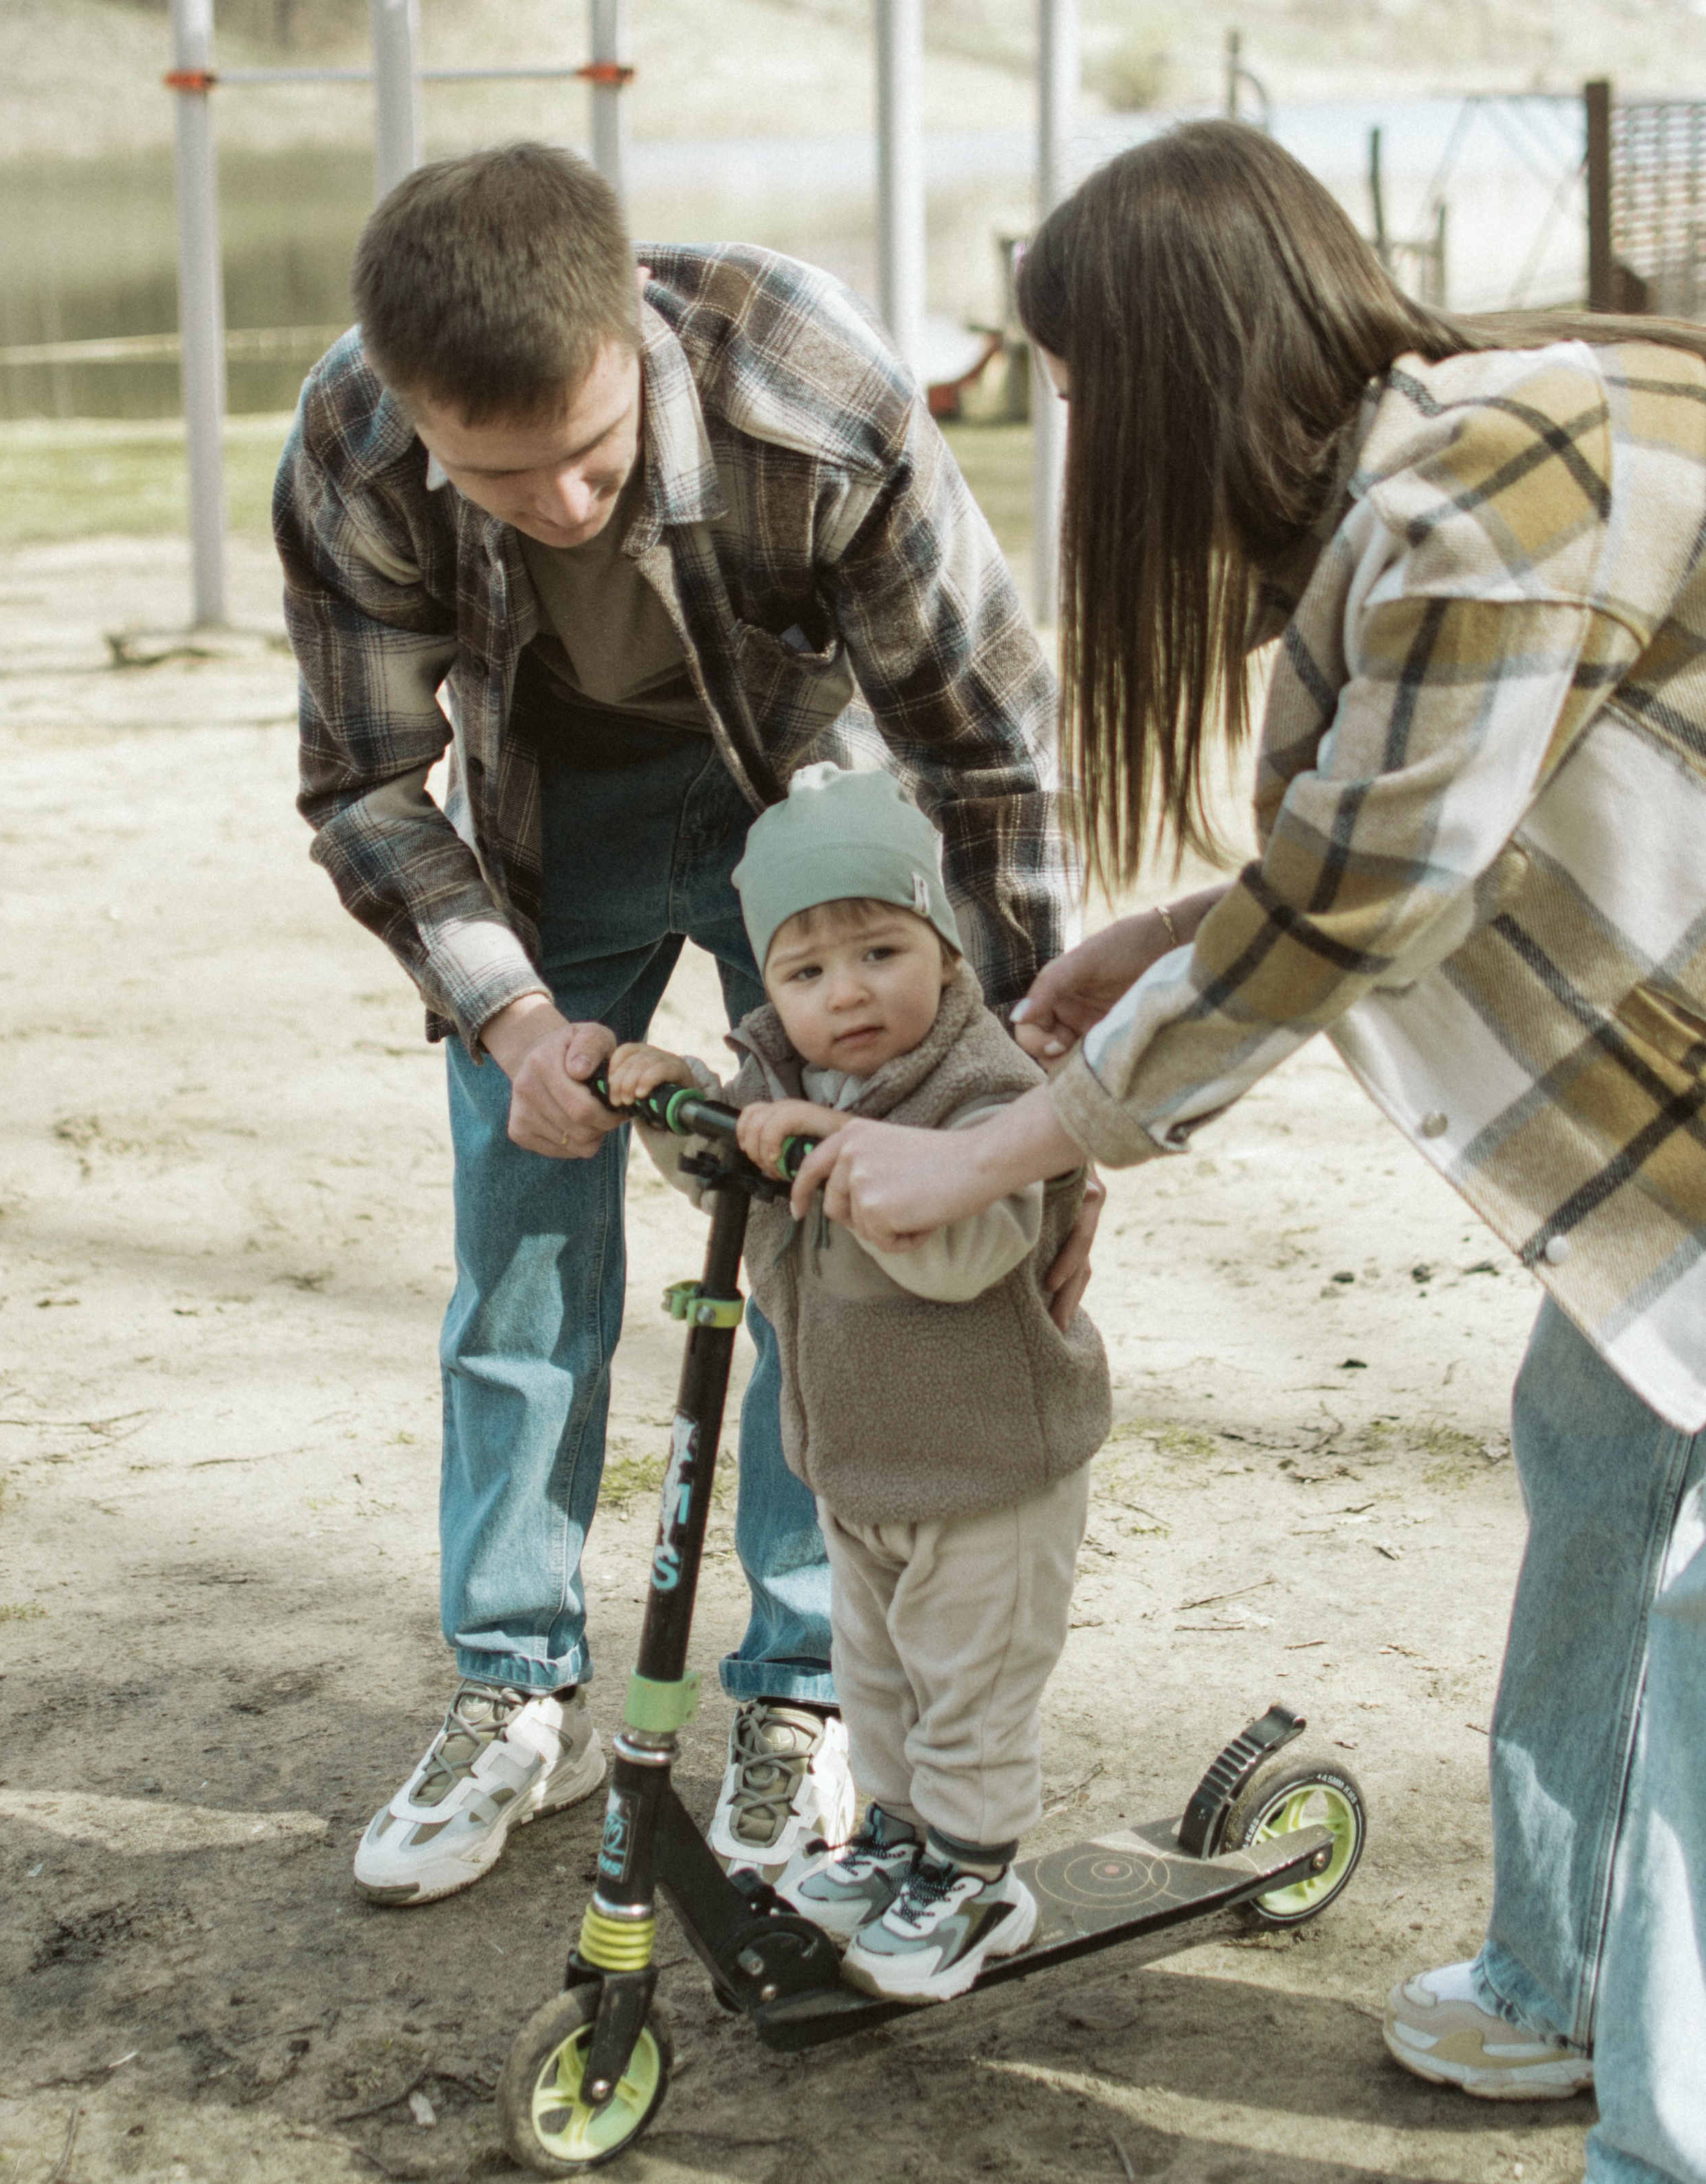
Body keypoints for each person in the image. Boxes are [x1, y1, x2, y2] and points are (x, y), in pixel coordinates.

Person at [795, 122, 1706, 2183]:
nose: (1076, 433)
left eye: (1081, 385)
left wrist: (995, 1150)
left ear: (1176, 366)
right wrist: (1170, 935)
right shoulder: (1444, 474)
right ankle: (1560, 1981)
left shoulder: (1485, 496)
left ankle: (1662, 2139)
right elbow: (1421, 819)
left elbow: (1370, 898)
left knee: (1699, 1627)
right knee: (1599, 1455)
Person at [274, 142, 1090, 1909]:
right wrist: (510, 1022)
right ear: (413, 414)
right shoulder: (347, 442)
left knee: (837, 1234)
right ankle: (516, 1688)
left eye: (590, 449)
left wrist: (1033, 1108)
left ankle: (803, 1692)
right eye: (500, 477)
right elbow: (365, 783)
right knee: (519, 1255)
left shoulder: (817, 393)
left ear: (629, 332)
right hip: (542, 813)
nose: (561, 504)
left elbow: (990, 757)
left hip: (807, 822)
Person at [606, 762, 1111, 2002]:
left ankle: (977, 1879)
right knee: (877, 1683)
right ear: (770, 986)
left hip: (989, 1472)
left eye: (882, 953)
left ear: (943, 947)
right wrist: (669, 1102)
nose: (848, 993)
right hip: (860, 1462)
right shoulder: (783, 1077)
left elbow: (963, 1253)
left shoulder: (986, 1089)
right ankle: (894, 1841)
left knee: (969, 1692)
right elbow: (728, 1174)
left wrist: (833, 1148)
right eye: (806, 972)